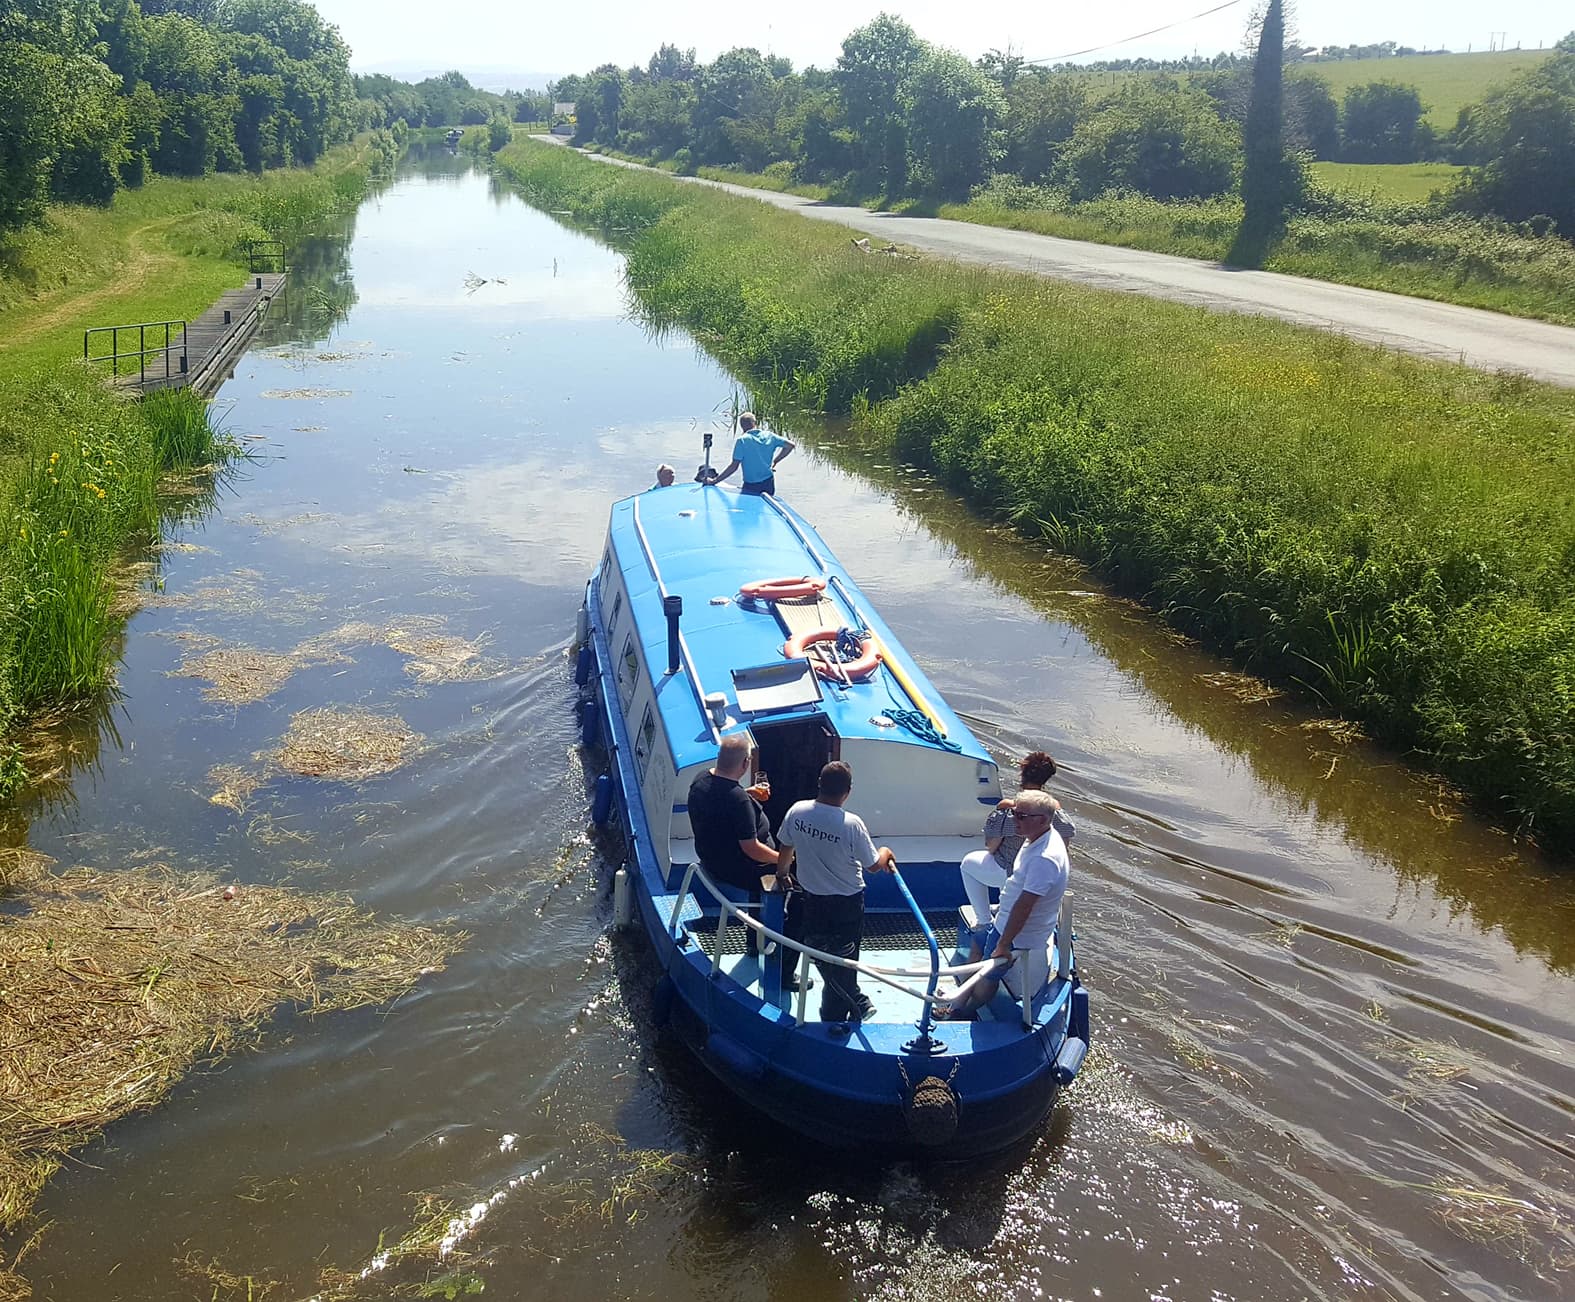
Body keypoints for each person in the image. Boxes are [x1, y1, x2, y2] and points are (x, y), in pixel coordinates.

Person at [775, 761, 895, 1024]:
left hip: (811, 898)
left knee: (822, 951)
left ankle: (853, 1002)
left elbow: (786, 847)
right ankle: (837, 1015)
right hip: (847, 904)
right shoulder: (852, 824)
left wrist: (782, 875)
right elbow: (874, 866)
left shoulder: (797, 811)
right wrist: (885, 851)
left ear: (819, 784)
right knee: (844, 958)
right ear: (848, 791)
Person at [939, 789, 1069, 1020]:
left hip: (1017, 932)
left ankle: (965, 1011)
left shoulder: (1044, 859)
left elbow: (1025, 906)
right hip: (1004, 919)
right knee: (980, 939)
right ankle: (958, 1001)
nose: (1014, 820)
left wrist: (1004, 943)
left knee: (989, 974)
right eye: (1013, 813)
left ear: (1042, 820)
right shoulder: (1038, 837)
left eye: (1021, 816)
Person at [687, 734, 803, 985]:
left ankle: (753, 942)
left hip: (712, 857)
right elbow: (751, 849)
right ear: (746, 763)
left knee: (767, 874)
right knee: (798, 895)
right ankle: (782, 967)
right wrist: (785, 859)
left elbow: (720, 803)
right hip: (737, 867)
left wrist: (748, 793)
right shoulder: (737, 800)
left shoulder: (700, 780)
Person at [959, 751, 1073, 959]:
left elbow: (991, 846)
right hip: (1041, 884)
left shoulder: (1009, 808)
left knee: (968, 863)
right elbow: (1066, 843)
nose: (1017, 818)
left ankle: (984, 921)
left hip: (1011, 875)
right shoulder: (1054, 812)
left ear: (1022, 774)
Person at [708, 413, 794, 496]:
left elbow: (734, 466)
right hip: (768, 482)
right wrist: (776, 461)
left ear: (741, 426)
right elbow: (790, 445)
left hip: (751, 485)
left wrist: (714, 481)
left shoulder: (742, 440)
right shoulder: (769, 436)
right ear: (755, 423)